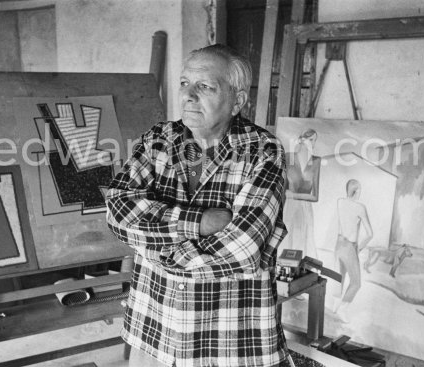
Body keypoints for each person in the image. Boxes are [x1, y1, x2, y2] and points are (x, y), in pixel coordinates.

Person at [106, 44, 288, 367]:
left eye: (204, 86)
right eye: (184, 83)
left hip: (228, 341)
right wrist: (200, 222)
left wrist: (157, 250)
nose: (188, 95)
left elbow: (242, 248)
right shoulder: (157, 140)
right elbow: (118, 211)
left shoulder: (264, 152)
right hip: (154, 331)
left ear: (238, 101)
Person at [333, 179, 373, 323]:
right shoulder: (360, 207)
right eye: (360, 190)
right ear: (356, 192)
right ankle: (342, 309)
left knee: (340, 276)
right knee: (356, 282)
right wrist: (359, 248)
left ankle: (335, 305)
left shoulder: (340, 202)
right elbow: (370, 234)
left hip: (339, 244)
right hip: (349, 246)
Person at [280, 129, 321, 259]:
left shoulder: (315, 161)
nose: (312, 143)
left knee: (302, 242)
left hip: (305, 209)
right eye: (310, 139)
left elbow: (315, 197)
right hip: (289, 207)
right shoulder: (289, 157)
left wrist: (293, 195)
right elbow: (282, 187)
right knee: (286, 240)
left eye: (314, 140)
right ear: (303, 140)